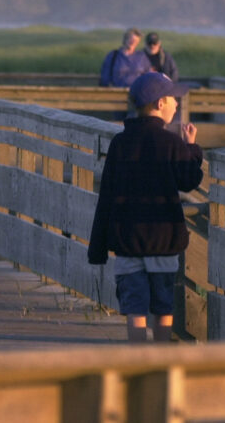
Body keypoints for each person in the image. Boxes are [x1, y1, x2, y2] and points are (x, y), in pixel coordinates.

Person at [87, 72, 203, 342]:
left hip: (127, 240)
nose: (177, 103)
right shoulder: (171, 143)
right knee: (163, 307)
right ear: (160, 103)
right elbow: (190, 180)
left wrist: (98, 248)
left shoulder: (120, 143)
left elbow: (106, 196)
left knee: (135, 308)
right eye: (174, 99)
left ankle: (138, 361)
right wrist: (193, 149)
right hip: (164, 240)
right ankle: (160, 361)